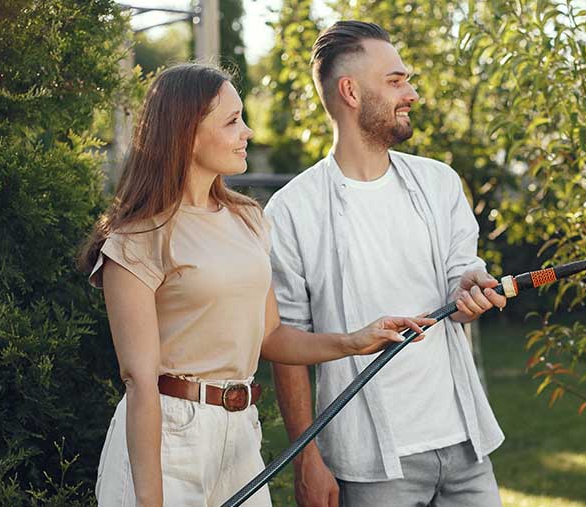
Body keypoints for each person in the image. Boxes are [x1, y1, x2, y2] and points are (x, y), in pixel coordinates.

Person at [77, 63, 433, 507]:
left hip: (240, 433)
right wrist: (150, 498)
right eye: (231, 122)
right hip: (167, 438)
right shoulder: (137, 240)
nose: (247, 132)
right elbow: (140, 381)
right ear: (185, 134)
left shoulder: (248, 219)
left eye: (242, 117)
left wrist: (353, 342)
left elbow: (270, 336)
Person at [266, 21, 507, 507]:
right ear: (351, 91)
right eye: (396, 80)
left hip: (464, 445)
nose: (412, 93)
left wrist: (472, 287)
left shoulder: (439, 183)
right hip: (372, 463)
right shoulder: (292, 212)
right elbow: (285, 345)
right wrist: (307, 459)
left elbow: (461, 277)